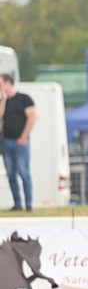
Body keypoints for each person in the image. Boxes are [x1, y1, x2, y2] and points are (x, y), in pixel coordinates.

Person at [1, 73, 36, 211]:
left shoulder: (24, 99)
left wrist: (24, 136)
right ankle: (17, 204)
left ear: (8, 83)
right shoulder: (4, 101)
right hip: (6, 142)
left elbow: (32, 117)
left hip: (21, 141)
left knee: (24, 172)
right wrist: (4, 99)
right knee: (11, 174)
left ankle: (29, 204)